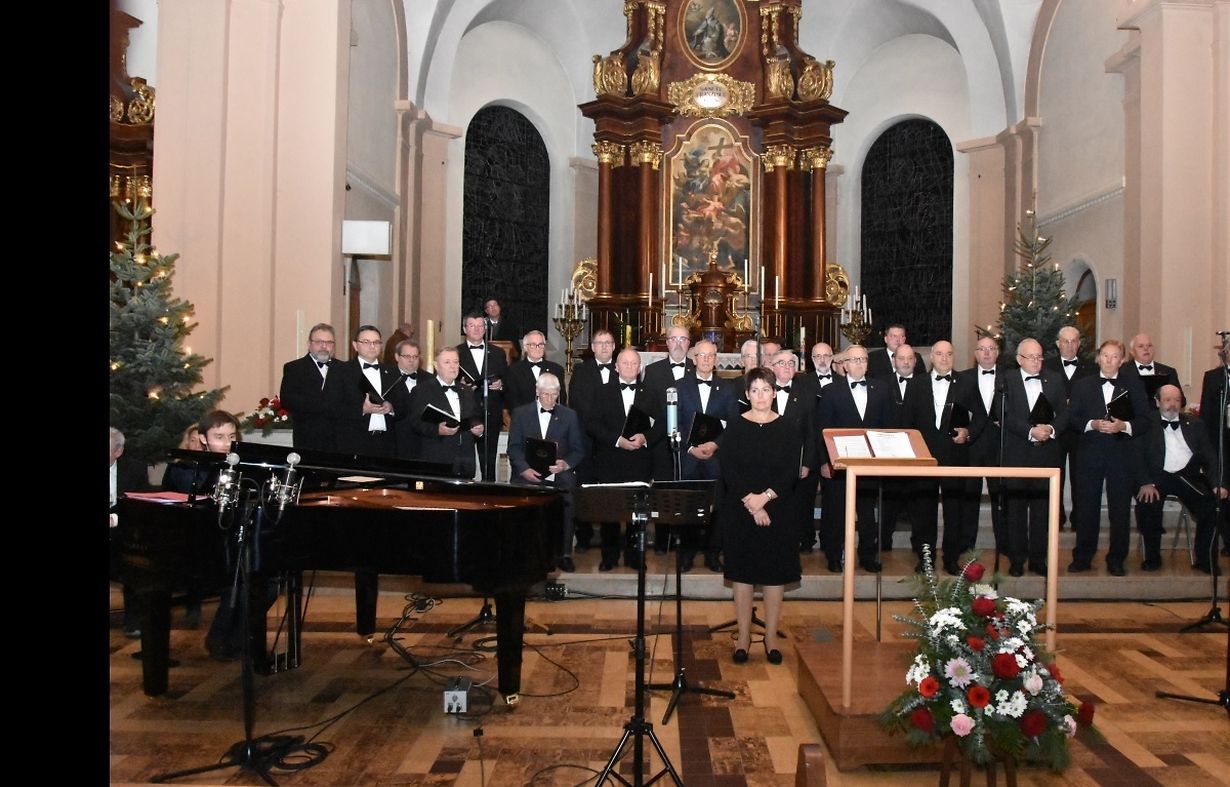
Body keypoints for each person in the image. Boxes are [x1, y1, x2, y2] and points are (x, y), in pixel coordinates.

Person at [719, 368, 803, 665]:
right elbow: (729, 468)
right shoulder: (735, 426)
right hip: (741, 509)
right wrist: (752, 503)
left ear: (774, 393)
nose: (760, 396)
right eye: (754, 390)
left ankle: (770, 637)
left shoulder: (788, 426)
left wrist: (764, 499)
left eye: (766, 389)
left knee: (774, 574)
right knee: (742, 574)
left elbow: (790, 471)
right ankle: (743, 637)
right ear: (747, 395)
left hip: (778, 509)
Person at [1067, 339, 1151, 575]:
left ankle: (1117, 559)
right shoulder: (1082, 385)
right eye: (1105, 355)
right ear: (1098, 358)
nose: (1109, 360)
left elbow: (1145, 420)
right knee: (1086, 508)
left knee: (1120, 510)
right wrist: (1091, 424)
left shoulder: (1133, 385)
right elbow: (1071, 418)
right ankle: (1083, 557)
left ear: (1122, 360)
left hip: (1121, 455)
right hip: (1089, 454)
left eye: (1115, 356)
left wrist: (1123, 426)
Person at [907, 341, 987, 574]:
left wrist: (968, 432)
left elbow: (981, 416)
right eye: (940, 354)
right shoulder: (917, 384)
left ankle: (951, 559)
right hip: (924, 458)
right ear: (931, 357)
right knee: (924, 511)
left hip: (955, 456)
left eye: (949, 354)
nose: (944, 358)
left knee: (954, 511)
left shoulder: (967, 383)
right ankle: (926, 559)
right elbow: (907, 420)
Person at [815, 345, 893, 572]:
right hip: (839, 464)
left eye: (863, 359)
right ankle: (833, 555)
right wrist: (824, 462)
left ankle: (867, 556)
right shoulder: (830, 391)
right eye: (854, 360)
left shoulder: (881, 389)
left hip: (870, 464)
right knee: (836, 512)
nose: (859, 364)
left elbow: (888, 426)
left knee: (867, 513)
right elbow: (822, 429)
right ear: (844, 365)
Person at [583, 348, 663, 571]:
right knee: (609, 511)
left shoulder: (650, 393)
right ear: (616, 367)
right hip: (610, 459)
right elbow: (592, 424)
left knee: (637, 513)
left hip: (640, 460)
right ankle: (609, 557)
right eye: (625, 363)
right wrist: (617, 440)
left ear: (640, 368)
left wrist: (645, 438)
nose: (629, 367)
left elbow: (662, 424)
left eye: (634, 363)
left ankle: (635, 557)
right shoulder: (602, 392)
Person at [1134, 384, 1226, 574]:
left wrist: (1217, 484)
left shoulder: (1195, 424)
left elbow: (1210, 457)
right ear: (1157, 402)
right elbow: (1135, 455)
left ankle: (1205, 560)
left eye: (1177, 400)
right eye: (1167, 400)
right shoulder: (1145, 423)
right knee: (1148, 504)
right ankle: (1152, 558)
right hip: (1155, 478)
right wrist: (1145, 482)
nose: (1172, 404)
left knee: (1212, 506)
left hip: (1186, 476)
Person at [999, 339, 1067, 577]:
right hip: (1017, 454)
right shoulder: (1007, 380)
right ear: (1019, 359)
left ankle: (1039, 559)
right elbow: (1003, 412)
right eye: (1031, 357)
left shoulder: (1055, 379)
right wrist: (1030, 431)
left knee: (1042, 510)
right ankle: (1017, 560)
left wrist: (1051, 429)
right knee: (1016, 510)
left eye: (1039, 357)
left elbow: (1064, 413)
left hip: (1046, 454)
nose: (1037, 361)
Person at [507, 372, 585, 572]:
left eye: (554, 395)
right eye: (546, 394)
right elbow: (514, 447)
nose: (550, 399)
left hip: (558, 473)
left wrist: (564, 464)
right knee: (523, 501)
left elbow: (578, 450)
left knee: (568, 497)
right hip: (528, 472)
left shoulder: (569, 415)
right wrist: (524, 468)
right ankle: (524, 552)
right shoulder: (520, 413)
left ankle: (564, 553)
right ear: (537, 392)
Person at [675, 340, 739, 571]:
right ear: (694, 359)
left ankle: (713, 554)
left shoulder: (727, 388)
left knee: (717, 509)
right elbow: (673, 423)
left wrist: (715, 445)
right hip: (688, 457)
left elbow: (733, 423)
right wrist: (690, 448)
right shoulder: (679, 387)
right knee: (688, 507)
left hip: (715, 459)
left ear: (716, 359)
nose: (706, 359)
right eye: (702, 355)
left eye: (710, 355)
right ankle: (687, 554)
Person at [642, 325, 695, 550]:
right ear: (667, 342)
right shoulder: (653, 371)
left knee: (687, 492)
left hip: (690, 443)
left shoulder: (698, 368)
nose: (679, 343)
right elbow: (647, 408)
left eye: (683, 339)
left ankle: (687, 541)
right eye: (674, 339)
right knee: (663, 492)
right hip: (661, 442)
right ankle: (663, 541)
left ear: (689, 343)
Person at [567, 328, 618, 552]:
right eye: (600, 342)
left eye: (608, 343)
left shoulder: (623, 368)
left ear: (614, 347)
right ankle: (584, 537)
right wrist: (598, 428)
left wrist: (611, 433)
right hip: (586, 440)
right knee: (585, 490)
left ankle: (611, 540)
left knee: (611, 493)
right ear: (593, 347)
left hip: (614, 442)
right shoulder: (581, 371)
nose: (604, 346)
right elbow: (577, 403)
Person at [1043, 326, 1095, 530]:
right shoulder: (1046, 366)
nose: (1070, 345)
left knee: (1080, 477)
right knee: (1056, 475)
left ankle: (1079, 520)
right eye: (1066, 341)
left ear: (1079, 344)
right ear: (1058, 344)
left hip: (1081, 431)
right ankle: (1056, 519)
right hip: (1056, 429)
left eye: (1074, 341)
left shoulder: (1091, 368)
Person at [959, 336, 1006, 555]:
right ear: (975, 354)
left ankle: (1003, 545)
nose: (986, 353)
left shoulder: (1009, 377)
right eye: (982, 349)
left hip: (999, 445)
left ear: (997, 353)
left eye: (991, 349)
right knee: (969, 497)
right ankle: (967, 545)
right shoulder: (964, 378)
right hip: (971, 446)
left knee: (1000, 497)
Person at [408, 346, 485, 477]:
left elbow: (475, 417)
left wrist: (479, 429)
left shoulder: (467, 391)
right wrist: (437, 429)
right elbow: (415, 423)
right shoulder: (422, 390)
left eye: (456, 362)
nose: (453, 366)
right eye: (447, 362)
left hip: (465, 460)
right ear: (436, 365)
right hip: (437, 459)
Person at [457, 312, 509, 480]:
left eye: (480, 325)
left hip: (491, 413)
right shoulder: (456, 353)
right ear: (465, 329)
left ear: (485, 329)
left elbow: (507, 380)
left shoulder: (498, 353)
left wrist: (500, 384)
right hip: (465, 414)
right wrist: (461, 387)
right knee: (464, 462)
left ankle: (489, 491)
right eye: (472, 325)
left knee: (489, 462)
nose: (477, 329)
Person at [334, 325, 400, 458]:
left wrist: (392, 408)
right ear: (355, 345)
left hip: (386, 443)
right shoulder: (341, 371)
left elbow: (404, 404)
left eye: (376, 342)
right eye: (366, 342)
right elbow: (333, 406)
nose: (372, 346)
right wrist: (362, 409)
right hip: (353, 442)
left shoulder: (393, 371)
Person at [110, 427, 151, 638]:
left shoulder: (135, 470)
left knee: (135, 560)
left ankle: (134, 621)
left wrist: (114, 520)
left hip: (122, 531)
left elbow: (139, 506)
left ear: (118, 451)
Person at [278, 322, 344, 452]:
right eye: (319, 342)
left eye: (329, 342)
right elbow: (288, 400)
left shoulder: (344, 369)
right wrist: (325, 404)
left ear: (334, 346)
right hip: (308, 438)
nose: (324, 346)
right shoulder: (294, 368)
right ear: (309, 344)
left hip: (339, 440)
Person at [1198, 344, 1229, 554]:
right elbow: (1206, 414)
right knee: (1222, 489)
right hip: (1220, 441)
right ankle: (1227, 539)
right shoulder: (1213, 377)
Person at [505, 330, 567, 413]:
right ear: (525, 348)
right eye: (533, 345)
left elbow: (561, 399)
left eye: (541, 344)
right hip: (524, 417)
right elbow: (512, 401)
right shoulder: (513, 371)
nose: (537, 348)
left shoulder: (556, 370)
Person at [1119, 333, 1182, 408]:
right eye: (1141, 346)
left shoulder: (1168, 372)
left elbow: (1182, 401)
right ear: (1132, 352)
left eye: (1149, 345)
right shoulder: (1121, 371)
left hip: (1160, 415)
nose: (1146, 348)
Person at [389, 338, 424, 461]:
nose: (411, 360)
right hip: (394, 441)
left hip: (421, 443)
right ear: (397, 357)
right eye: (407, 356)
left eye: (415, 356)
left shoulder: (430, 379)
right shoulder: (387, 377)